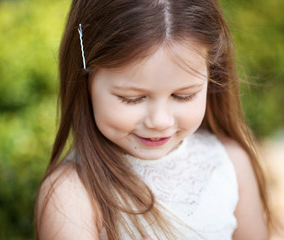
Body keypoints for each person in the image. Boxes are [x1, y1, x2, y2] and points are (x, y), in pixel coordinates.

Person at [34, 0, 273, 239]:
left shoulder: (230, 162)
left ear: (212, 76)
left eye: (183, 95)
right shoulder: (72, 194)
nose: (160, 121)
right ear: (85, 79)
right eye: (132, 98)